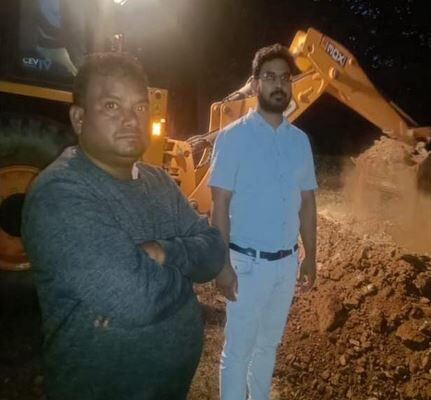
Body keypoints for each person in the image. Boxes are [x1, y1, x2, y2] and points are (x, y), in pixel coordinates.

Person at [21, 52, 225, 400]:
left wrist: (166, 253)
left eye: (140, 107)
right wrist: (187, 285)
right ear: (79, 118)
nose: (131, 119)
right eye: (112, 106)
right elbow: (136, 298)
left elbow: (215, 250)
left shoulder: (158, 181)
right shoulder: (59, 194)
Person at [209, 43, 317, 400]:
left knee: (267, 347)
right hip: (246, 264)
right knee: (237, 352)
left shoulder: (299, 142)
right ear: (255, 84)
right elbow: (220, 204)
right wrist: (222, 264)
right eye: (270, 77)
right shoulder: (233, 138)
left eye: (285, 78)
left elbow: (307, 201)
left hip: (286, 265)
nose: (278, 85)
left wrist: (311, 255)